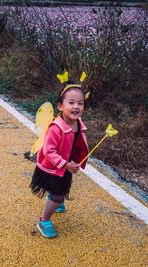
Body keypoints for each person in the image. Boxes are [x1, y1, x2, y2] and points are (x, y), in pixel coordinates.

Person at [29, 81, 89, 238]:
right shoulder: (56, 128)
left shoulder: (78, 123)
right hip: (52, 167)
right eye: (71, 103)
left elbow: (76, 142)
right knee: (58, 195)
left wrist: (76, 159)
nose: (76, 106)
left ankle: (56, 199)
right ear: (60, 106)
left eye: (80, 103)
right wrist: (65, 164)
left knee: (61, 188)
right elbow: (49, 151)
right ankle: (44, 220)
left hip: (64, 166)